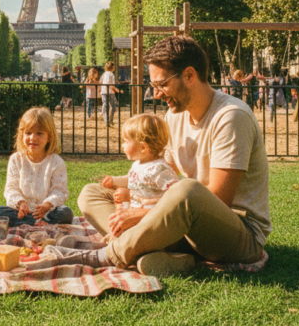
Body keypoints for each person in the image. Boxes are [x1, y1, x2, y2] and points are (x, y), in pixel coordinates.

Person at [30, 35, 271, 278]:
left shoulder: (231, 117)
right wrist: (132, 191)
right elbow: (162, 170)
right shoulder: (175, 115)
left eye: (161, 84)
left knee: (188, 191)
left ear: (189, 75)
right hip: (188, 225)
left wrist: (143, 213)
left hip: (236, 233)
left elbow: (218, 198)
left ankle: (107, 254)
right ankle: (161, 254)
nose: (156, 95)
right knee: (91, 193)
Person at [0, 107, 74, 227]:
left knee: (66, 213)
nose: (33, 138)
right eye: (28, 133)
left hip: (47, 212)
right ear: (22, 135)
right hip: (22, 212)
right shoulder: (16, 159)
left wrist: (47, 205)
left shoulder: (56, 162)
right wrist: (20, 203)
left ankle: (35, 223)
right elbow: (11, 188)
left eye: (39, 133)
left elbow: (59, 191)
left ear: (49, 137)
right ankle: (36, 223)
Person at [100, 114, 177, 213]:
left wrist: (131, 196)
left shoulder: (159, 169)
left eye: (126, 141)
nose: (123, 145)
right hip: (133, 209)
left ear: (143, 147)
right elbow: (131, 179)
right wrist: (114, 181)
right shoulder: (137, 164)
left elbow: (174, 197)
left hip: (150, 216)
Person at [100, 61, 122, 127]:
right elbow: (112, 85)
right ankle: (110, 119)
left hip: (103, 92)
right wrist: (118, 90)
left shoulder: (104, 74)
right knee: (113, 106)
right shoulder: (111, 74)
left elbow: (100, 81)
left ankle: (106, 120)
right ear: (112, 67)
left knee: (105, 106)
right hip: (110, 92)